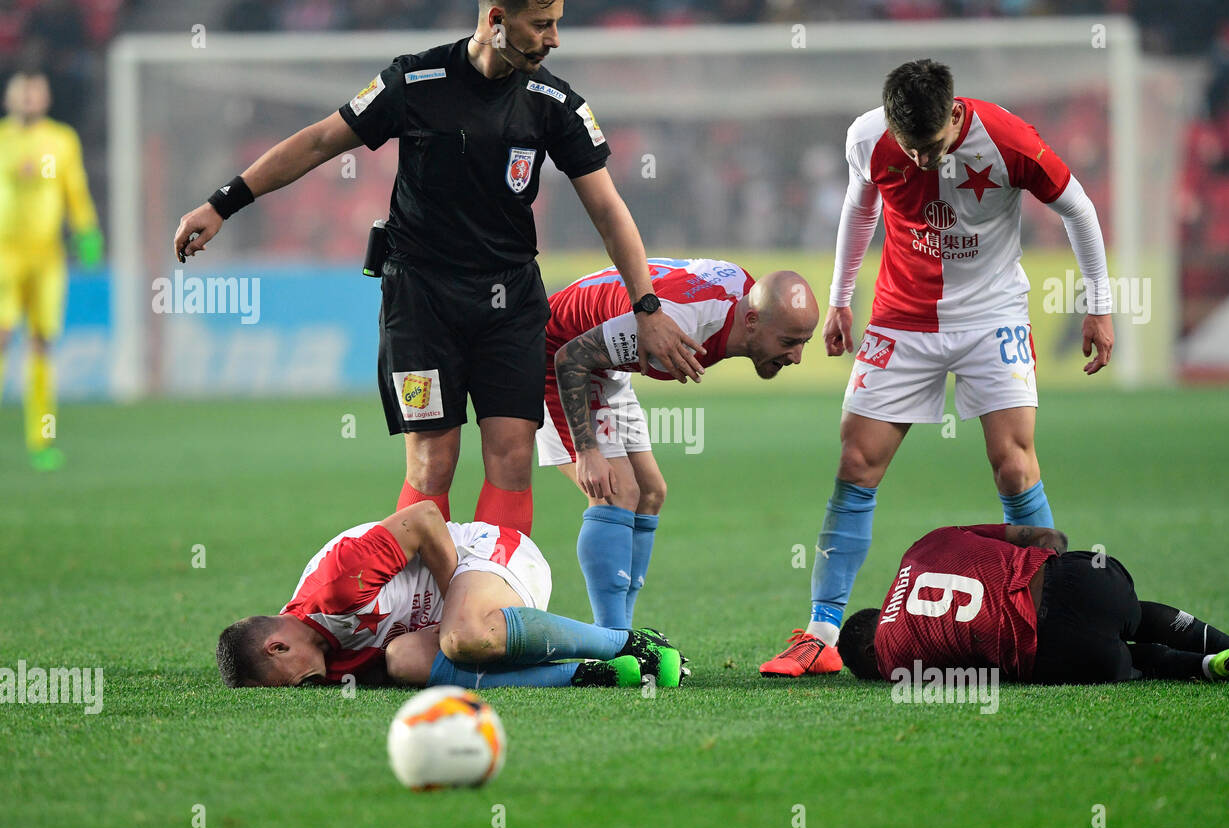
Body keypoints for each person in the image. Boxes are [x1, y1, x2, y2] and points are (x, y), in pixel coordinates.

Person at [173, 1, 705, 536]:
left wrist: (646, 305)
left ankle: (487, 604)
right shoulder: (415, 80)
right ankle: (422, 608)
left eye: (557, 23)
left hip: (509, 301)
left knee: (512, 455)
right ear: (497, 19)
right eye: (542, 25)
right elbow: (318, 142)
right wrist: (223, 203)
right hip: (420, 298)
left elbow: (610, 212)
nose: (555, 39)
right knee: (432, 459)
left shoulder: (554, 103)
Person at [762, 58, 1116, 677]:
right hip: (901, 318)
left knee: (1014, 465)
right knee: (855, 463)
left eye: (932, 147)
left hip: (992, 318)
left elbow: (1080, 211)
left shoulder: (1010, 141)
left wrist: (1099, 307)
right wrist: (841, 299)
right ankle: (820, 634)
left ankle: (1048, 622)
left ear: (955, 114)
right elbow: (860, 209)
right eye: (911, 148)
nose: (923, 162)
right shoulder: (867, 136)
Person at [539, 258, 819, 628]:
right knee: (615, 492)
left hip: (603, 359)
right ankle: (610, 640)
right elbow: (569, 359)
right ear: (751, 321)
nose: (797, 357)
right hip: (555, 353)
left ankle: (623, 632)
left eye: (803, 343)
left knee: (650, 492)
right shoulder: (676, 326)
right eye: (788, 342)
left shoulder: (743, 294)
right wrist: (587, 451)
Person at [216, 500, 685, 689]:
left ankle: (629, 641)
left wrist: (456, 606)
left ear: (276, 645)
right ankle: (592, 675)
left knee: (461, 637)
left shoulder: (336, 585)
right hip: (483, 616)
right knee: (404, 662)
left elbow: (423, 518)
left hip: (492, 554)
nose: (307, 688)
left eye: (293, 683)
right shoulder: (321, 652)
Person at [835, 523, 1229, 684]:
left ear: (873, 657)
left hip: (1061, 647)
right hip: (1087, 578)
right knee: (1135, 613)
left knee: (1127, 657)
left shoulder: (895, 658)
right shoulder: (924, 544)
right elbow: (1047, 538)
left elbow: (982, 673)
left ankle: (1212, 666)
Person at [0, 71, 102, 471]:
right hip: (4, 256)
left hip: (47, 258)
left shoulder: (61, 140)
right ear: (9, 96)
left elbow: (74, 189)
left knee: (42, 343)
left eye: (34, 90)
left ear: (44, 97)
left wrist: (87, 231)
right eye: (21, 91)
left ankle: (41, 441)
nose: (27, 98)